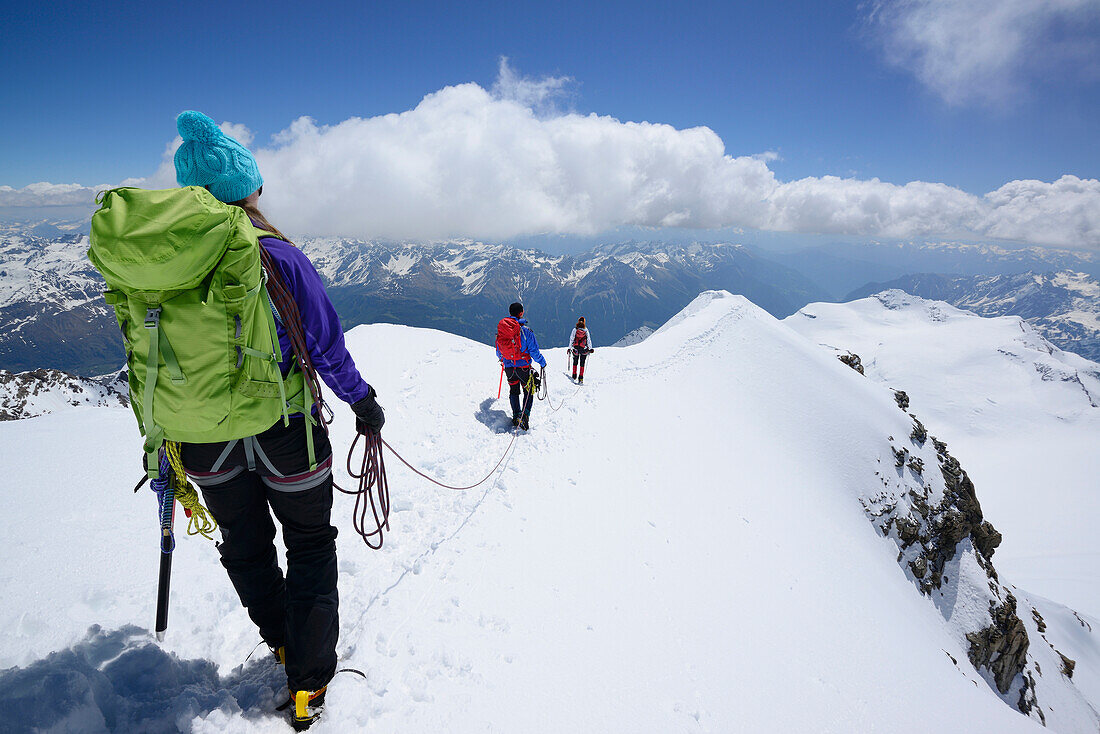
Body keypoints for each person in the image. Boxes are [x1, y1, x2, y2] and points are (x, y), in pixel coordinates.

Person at [171, 111, 383, 731]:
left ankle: (284, 643)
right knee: (310, 542)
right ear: (248, 189)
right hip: (286, 433)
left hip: (202, 440)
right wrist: (362, 402)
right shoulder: (277, 256)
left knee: (245, 545)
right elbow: (325, 344)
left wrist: (162, 446)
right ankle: (309, 683)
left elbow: (151, 365)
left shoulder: (160, 274)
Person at [496, 301, 547, 430]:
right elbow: (534, 352)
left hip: (508, 367)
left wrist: (504, 360)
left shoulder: (503, 331)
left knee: (514, 390)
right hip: (523, 367)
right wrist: (542, 362)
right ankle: (525, 416)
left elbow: (498, 350)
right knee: (528, 391)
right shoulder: (525, 331)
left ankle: (516, 415)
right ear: (521, 313)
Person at [568, 316, 595, 384]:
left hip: (576, 349)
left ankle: (574, 376)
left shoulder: (575, 329)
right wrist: (590, 348)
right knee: (582, 363)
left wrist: (569, 348)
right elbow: (588, 339)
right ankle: (581, 378)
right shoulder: (586, 330)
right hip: (584, 350)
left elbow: (571, 339)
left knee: (575, 362)